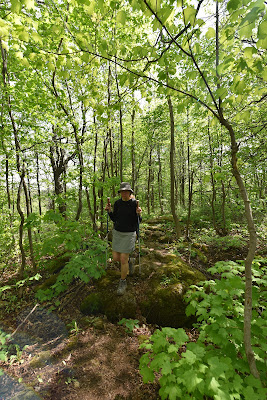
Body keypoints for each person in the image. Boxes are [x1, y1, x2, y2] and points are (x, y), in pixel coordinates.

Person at [105, 182, 142, 295]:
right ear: (120, 193)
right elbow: (115, 218)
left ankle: (123, 281)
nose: (124, 193)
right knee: (116, 258)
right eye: (122, 191)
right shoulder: (117, 203)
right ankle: (131, 261)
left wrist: (138, 214)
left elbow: (138, 221)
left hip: (129, 233)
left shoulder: (134, 203)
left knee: (122, 259)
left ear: (130, 192)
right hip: (117, 233)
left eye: (126, 191)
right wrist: (109, 211)